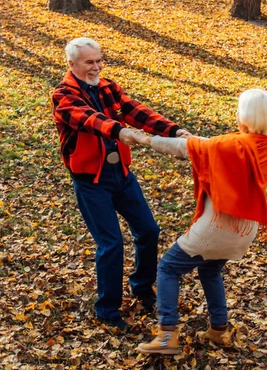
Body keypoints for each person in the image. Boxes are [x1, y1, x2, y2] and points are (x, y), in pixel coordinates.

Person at [50, 37, 190, 333]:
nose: (96, 66)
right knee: (111, 244)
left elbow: (134, 110)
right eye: (89, 62)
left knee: (148, 230)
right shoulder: (63, 95)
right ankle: (108, 309)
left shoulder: (107, 87)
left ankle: (141, 287)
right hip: (91, 181)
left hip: (121, 175)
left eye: (99, 60)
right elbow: (90, 120)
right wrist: (123, 132)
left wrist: (174, 130)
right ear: (72, 64)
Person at [134, 89, 267, 354]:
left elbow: (188, 148)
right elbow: (212, 145)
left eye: (239, 109)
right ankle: (219, 331)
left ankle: (167, 338)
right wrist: (194, 140)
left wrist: (143, 139)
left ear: (246, 115)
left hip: (218, 226)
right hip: (243, 228)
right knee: (210, 270)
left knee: (168, 268)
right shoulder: (264, 145)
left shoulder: (235, 146)